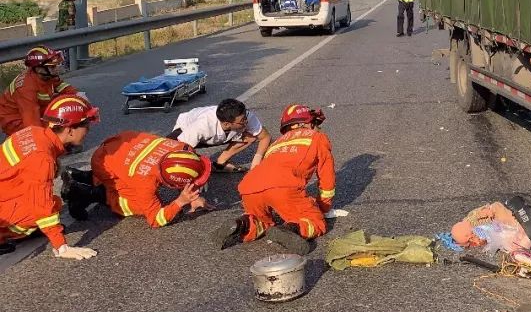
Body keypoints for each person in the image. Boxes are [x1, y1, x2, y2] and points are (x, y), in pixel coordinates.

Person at [212, 104, 336, 255]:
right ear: (308, 123)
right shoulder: (317, 138)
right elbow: (327, 177)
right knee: (315, 222)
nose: (318, 128)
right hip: (282, 188)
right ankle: (291, 229)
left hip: (249, 188)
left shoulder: (277, 143)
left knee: (260, 220)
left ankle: (241, 224)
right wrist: (323, 207)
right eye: (316, 124)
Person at [0, 95, 99, 259]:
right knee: (49, 208)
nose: (88, 131)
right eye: (86, 126)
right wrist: (62, 247)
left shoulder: (35, 133)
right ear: (69, 130)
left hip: (7, 192)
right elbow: (42, 206)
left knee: (53, 203)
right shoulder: (42, 159)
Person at [61, 132, 213, 226]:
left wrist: (193, 196)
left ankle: (77, 174)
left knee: (122, 172)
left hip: (121, 144)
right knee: (131, 205)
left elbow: (183, 171)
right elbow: (155, 220)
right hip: (104, 161)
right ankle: (80, 192)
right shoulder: (145, 184)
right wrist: (180, 202)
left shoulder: (183, 149)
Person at [167, 99, 271, 172]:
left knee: (251, 136)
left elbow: (265, 137)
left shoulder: (245, 116)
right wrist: (199, 172)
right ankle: (205, 167)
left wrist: (257, 160)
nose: (246, 122)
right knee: (169, 155)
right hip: (185, 131)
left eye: (245, 118)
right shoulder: (203, 125)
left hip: (220, 135)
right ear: (227, 124)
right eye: (242, 121)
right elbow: (182, 151)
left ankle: (220, 164)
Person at [0, 47, 80, 137]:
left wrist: (78, 97)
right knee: (55, 127)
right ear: (39, 69)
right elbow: (31, 122)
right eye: (52, 66)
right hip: (14, 120)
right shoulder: (26, 88)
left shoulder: (46, 76)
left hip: (32, 112)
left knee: (67, 112)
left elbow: (62, 86)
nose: (57, 69)